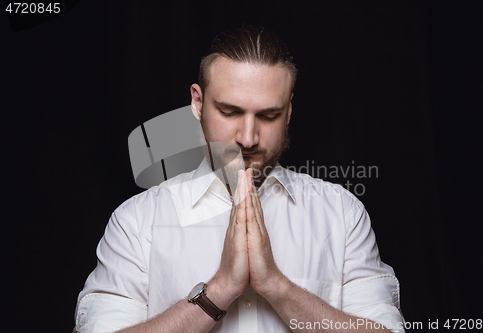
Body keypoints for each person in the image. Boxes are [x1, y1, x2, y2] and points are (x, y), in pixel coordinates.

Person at [74, 26, 405, 333]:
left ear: (289, 111)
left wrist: (276, 286)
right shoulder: (137, 221)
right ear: (198, 102)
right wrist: (218, 290)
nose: (248, 138)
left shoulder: (342, 214)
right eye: (230, 112)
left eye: (268, 115)